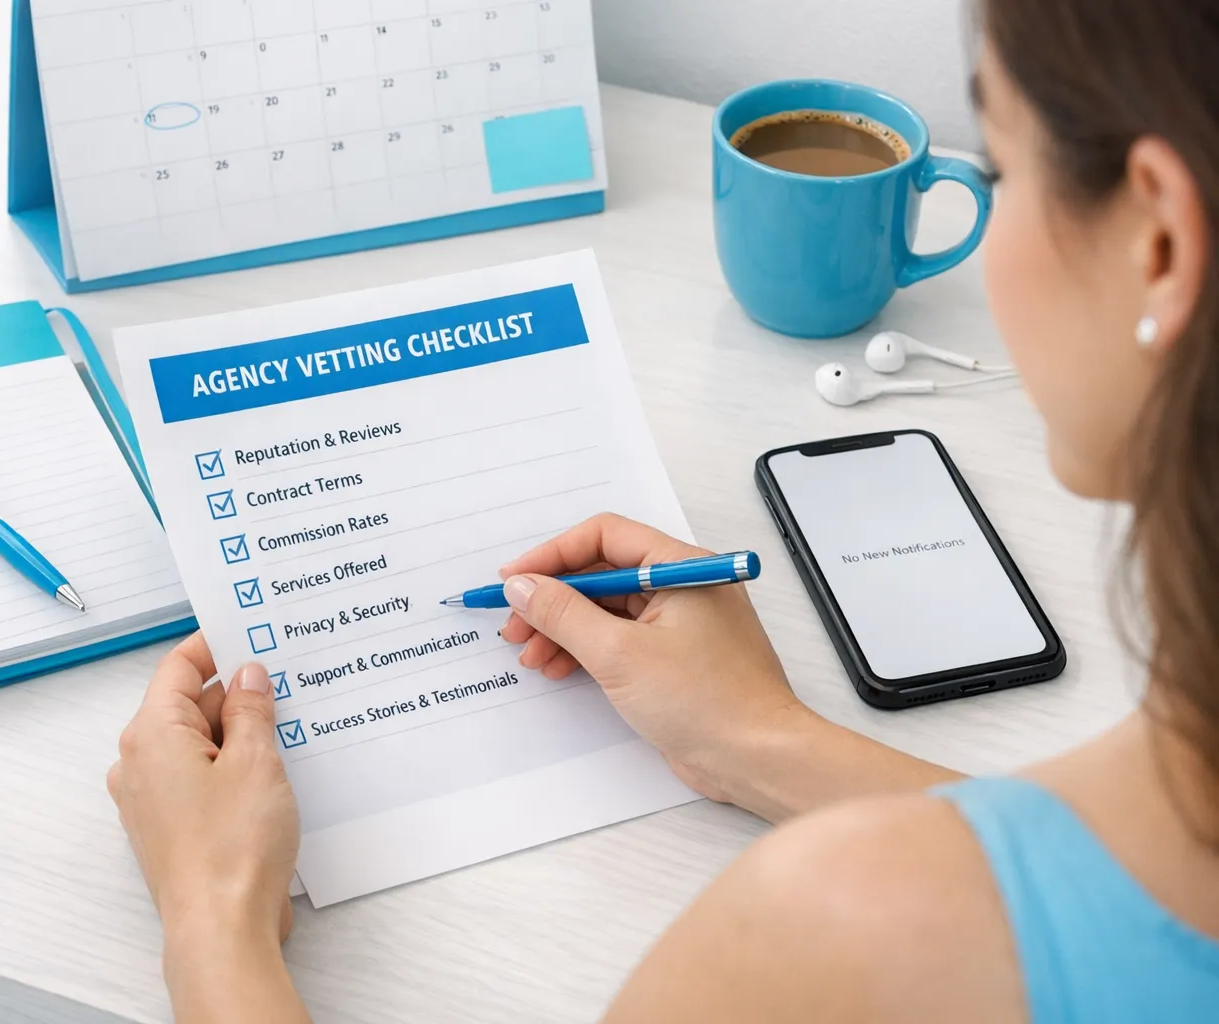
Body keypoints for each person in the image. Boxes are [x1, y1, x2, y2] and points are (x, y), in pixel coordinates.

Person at [106, 0, 1219, 1019]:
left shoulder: (840, 932)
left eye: (1008, 170)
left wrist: (214, 921)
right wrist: (761, 741)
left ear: (1158, 245)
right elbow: (1098, 880)